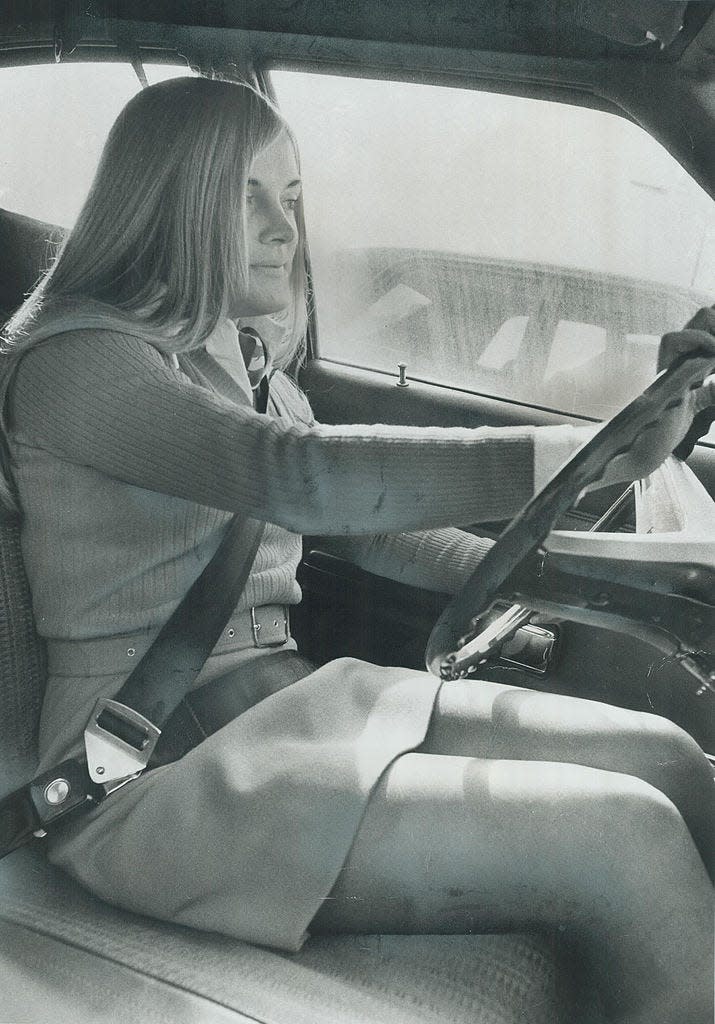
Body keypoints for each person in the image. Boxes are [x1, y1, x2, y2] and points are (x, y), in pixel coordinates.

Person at [1, 78, 713, 1024]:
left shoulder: (237, 356)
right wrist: (573, 456)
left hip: (291, 707)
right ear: (167, 201)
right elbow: (294, 477)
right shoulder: (76, 361)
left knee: (666, 760)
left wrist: (540, 578)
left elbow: (373, 529)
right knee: (627, 839)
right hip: (147, 768)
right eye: (244, 194)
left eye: (290, 197)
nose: (282, 226)